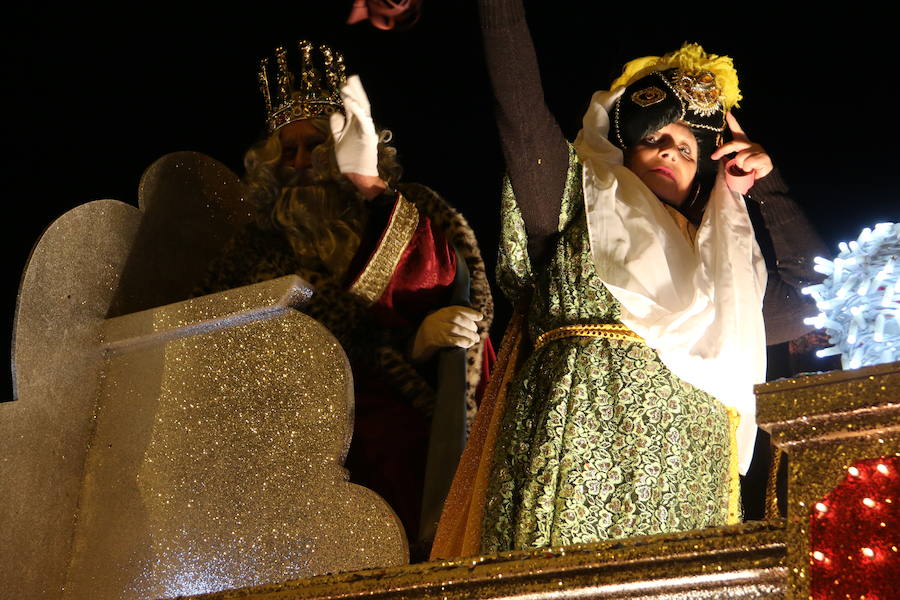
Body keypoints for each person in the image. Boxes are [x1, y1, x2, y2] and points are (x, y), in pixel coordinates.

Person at [431, 1, 825, 557]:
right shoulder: (574, 204)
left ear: (703, 174)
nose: (670, 148)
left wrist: (768, 184)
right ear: (622, 149)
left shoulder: (725, 273)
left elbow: (820, 296)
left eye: (687, 148)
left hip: (689, 473)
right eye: (653, 139)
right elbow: (518, 107)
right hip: (571, 453)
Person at [197, 42, 493, 556]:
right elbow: (240, 360)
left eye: (316, 146)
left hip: (417, 430)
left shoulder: (409, 207)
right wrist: (406, 348)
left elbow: (445, 283)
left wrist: (367, 187)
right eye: (287, 152)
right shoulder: (249, 254)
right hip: (304, 449)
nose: (301, 163)